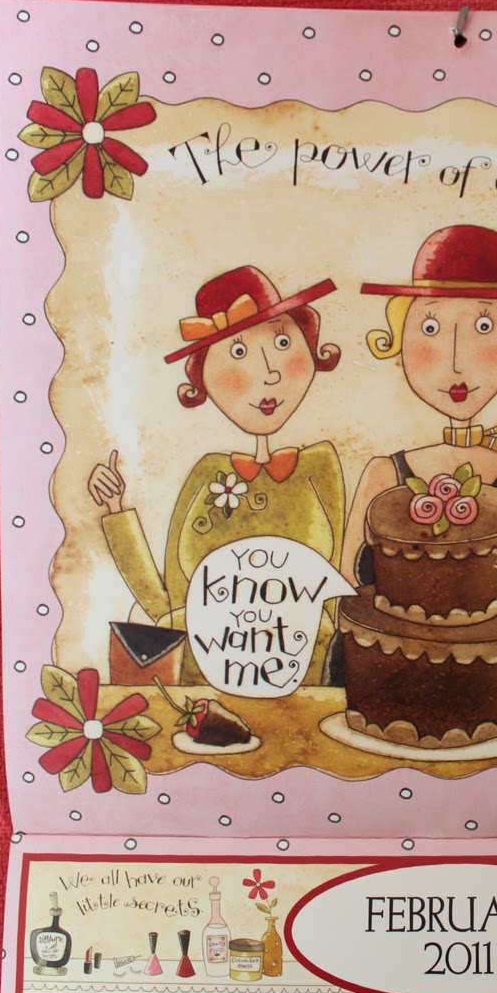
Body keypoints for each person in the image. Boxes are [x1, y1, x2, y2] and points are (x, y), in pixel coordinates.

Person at [336, 224, 497, 686]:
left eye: (484, 327)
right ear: (397, 340)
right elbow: (347, 601)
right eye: (430, 328)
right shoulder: (384, 472)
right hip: (391, 685)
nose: (456, 358)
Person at [87, 265, 345, 685]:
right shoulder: (208, 474)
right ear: (202, 376)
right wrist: (117, 512)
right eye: (238, 352)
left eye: (283, 342)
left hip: (308, 686)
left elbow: (339, 594)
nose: (269, 372)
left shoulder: (319, 466)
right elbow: (166, 603)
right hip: (201, 688)